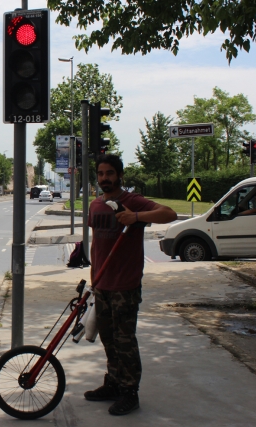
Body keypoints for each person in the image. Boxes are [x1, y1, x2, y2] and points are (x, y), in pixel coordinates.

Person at [85, 154, 177, 416]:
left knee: (125, 342)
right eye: (101, 173)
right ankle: (113, 382)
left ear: (120, 175)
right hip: (102, 285)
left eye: (110, 173)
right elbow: (97, 244)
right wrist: (94, 280)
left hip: (125, 287)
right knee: (109, 340)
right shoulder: (96, 206)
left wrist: (136, 217)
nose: (105, 178)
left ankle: (129, 392)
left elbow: (169, 213)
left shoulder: (131, 202)